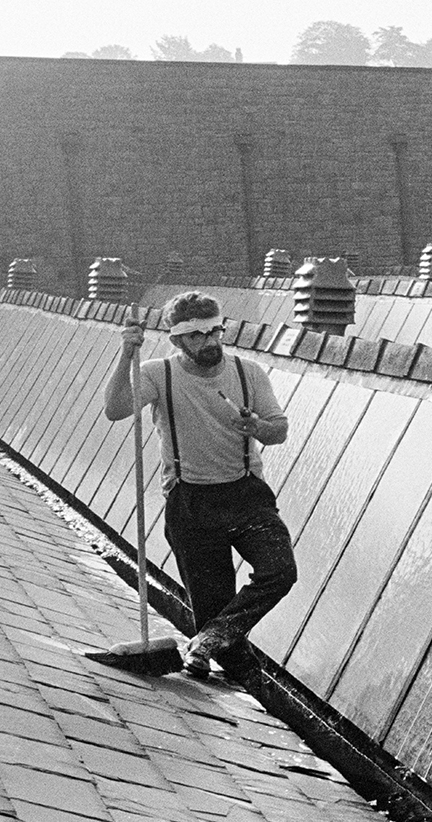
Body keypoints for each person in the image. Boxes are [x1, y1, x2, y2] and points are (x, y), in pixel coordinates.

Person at [103, 291, 295, 678]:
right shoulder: (159, 373)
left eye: (214, 332)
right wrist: (126, 353)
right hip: (191, 503)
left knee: (279, 571)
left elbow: (279, 430)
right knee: (213, 610)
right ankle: (222, 658)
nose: (209, 342)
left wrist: (258, 427)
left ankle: (207, 641)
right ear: (177, 339)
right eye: (197, 336)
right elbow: (116, 409)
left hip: (246, 495)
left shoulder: (248, 372)